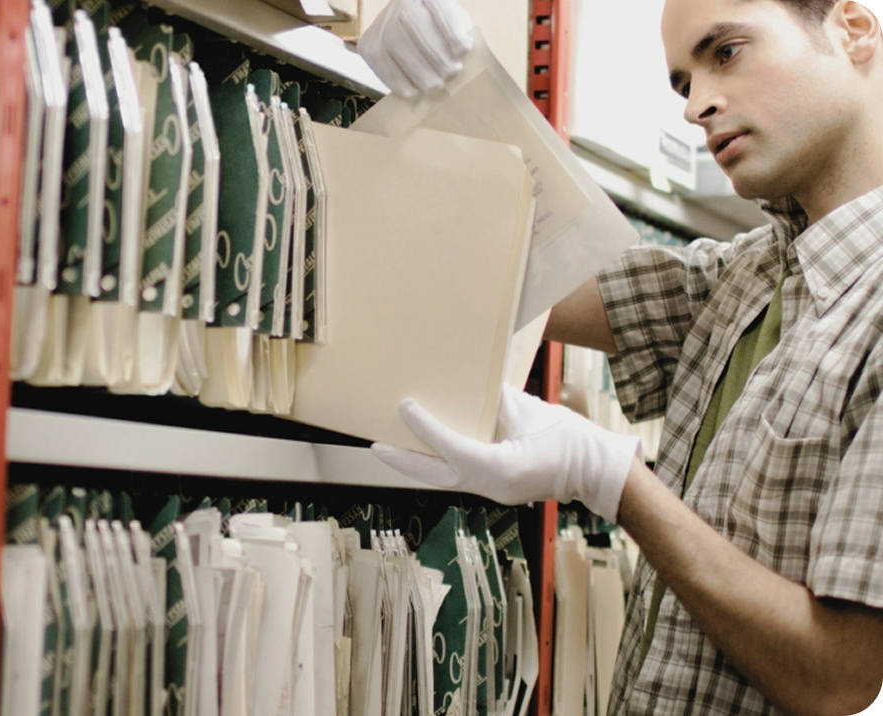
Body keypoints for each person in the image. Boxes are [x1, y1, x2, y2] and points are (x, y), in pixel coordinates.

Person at [361, 0, 883, 714]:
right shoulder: (749, 276)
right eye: (683, 82)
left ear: (853, 30)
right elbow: (524, 267)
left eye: (726, 52)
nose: (696, 106)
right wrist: (455, 89)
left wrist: (616, 483)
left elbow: (843, 678)